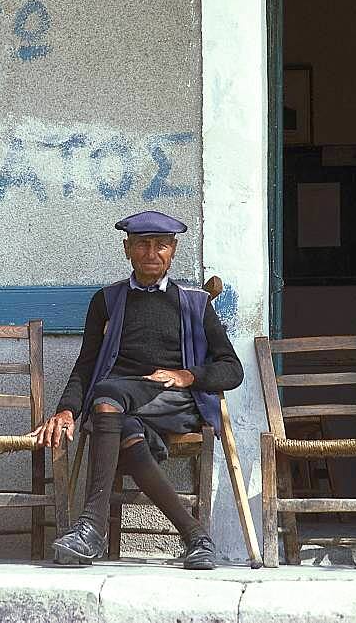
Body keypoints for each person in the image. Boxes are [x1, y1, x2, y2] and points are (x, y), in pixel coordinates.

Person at [33, 210, 243, 570]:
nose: (151, 252)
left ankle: (91, 528)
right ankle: (197, 537)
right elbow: (86, 364)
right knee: (117, 416)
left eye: (161, 245)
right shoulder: (107, 301)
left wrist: (187, 376)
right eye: (142, 244)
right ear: (127, 248)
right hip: (119, 408)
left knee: (107, 396)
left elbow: (232, 369)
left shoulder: (194, 303)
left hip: (174, 401)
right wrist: (66, 410)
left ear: (173, 250)